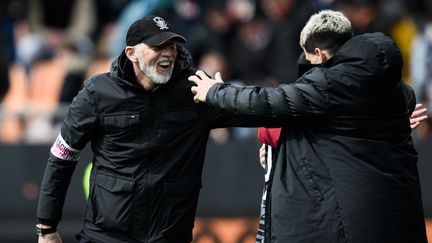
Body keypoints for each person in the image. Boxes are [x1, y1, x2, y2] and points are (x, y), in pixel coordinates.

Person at [189, 9, 428, 243]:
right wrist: (282, 149)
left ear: (319, 54)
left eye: (308, 60)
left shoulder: (328, 84)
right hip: (397, 220)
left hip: (348, 225)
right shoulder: (393, 88)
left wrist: (215, 93)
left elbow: (267, 103)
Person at [35, 15, 270, 243]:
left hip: (169, 236)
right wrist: (47, 227)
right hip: (106, 236)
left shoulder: (196, 88)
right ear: (131, 53)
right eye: (158, 46)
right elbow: (61, 158)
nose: (168, 52)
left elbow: (259, 111)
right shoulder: (96, 94)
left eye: (172, 46)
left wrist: (225, 97)